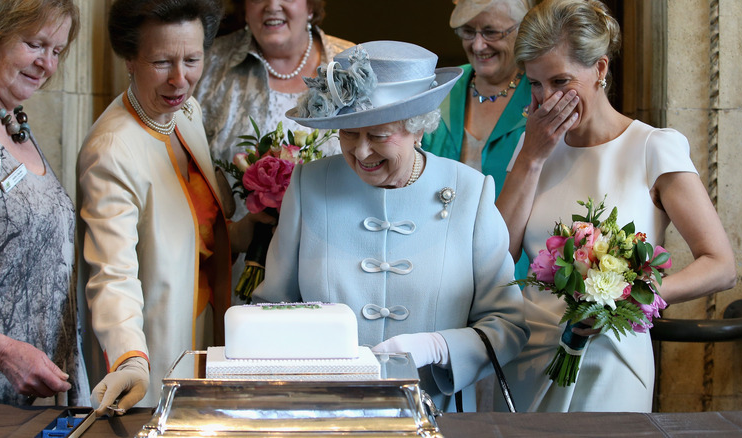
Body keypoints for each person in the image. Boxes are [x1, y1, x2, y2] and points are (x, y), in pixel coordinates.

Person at [252, 40, 530, 413]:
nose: (361, 152)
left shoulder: (470, 192)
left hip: (434, 414)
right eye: (349, 132)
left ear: (419, 129)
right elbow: (273, 308)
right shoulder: (309, 186)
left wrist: (439, 347)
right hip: (327, 414)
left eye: (379, 136)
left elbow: (508, 324)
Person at [495, 0, 737, 412]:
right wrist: (532, 158)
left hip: (613, 358)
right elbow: (498, 255)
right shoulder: (530, 144)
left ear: (601, 70)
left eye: (560, 81)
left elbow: (721, 264)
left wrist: (633, 297)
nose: (547, 99)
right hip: (530, 355)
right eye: (535, 85)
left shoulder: (652, 147)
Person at [78, 0, 232, 414]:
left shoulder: (185, 112)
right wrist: (130, 356)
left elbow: (200, 222)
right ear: (129, 58)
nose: (180, 80)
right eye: (162, 62)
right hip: (159, 341)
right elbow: (112, 272)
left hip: (206, 325)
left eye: (192, 59)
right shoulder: (112, 150)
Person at [0, 0, 88, 406]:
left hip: (35, 396)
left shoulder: (14, 124)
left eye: (57, 51)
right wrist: (3, 353)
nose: (47, 64)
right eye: (35, 44)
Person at [422, 0, 533, 281]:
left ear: (521, 29)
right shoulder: (439, 92)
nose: (478, 45)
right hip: (438, 264)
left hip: (518, 271)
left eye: (492, 32)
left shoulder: (538, 96)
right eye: (468, 32)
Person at [195, 0, 353, 166]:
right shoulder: (206, 64)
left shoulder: (352, 64)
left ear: (310, 7)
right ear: (245, 9)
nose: (272, 6)